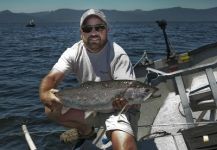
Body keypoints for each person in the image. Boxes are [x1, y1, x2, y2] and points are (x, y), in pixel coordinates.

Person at [39, 8, 140, 150]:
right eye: (87, 29)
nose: (93, 33)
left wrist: (125, 103)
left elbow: (129, 93)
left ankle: (115, 131)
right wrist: (44, 93)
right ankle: (86, 131)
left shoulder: (118, 55)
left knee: (125, 147)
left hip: (118, 111)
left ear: (107, 30)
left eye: (99, 27)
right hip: (91, 107)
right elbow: (52, 77)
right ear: (81, 33)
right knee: (50, 108)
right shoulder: (73, 52)